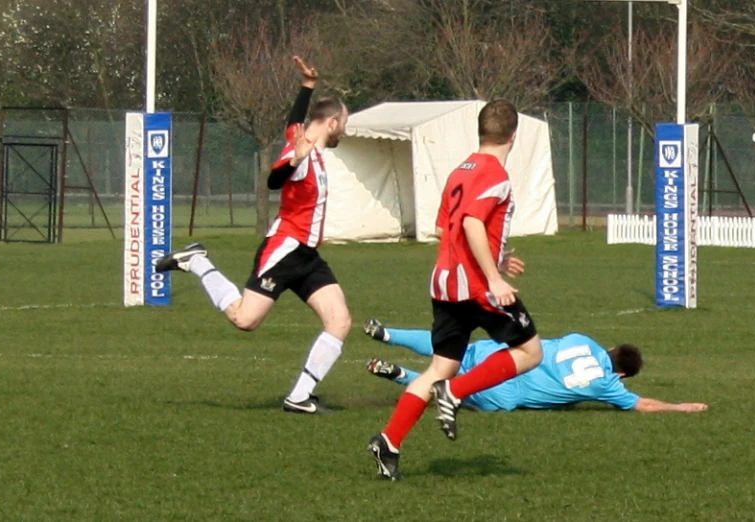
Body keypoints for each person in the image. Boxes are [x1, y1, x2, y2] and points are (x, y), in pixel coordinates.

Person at [155, 56, 351, 415]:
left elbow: (294, 121)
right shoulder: (301, 152)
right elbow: (274, 180)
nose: (345, 131)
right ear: (333, 122)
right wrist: (293, 161)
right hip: (285, 251)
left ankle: (299, 396)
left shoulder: (306, 142)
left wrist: (307, 87)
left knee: (339, 321)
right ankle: (196, 262)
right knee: (245, 320)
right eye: (344, 125)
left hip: (307, 256)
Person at [367, 100, 544, 481]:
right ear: (514, 135)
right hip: (476, 289)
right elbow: (470, 224)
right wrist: (493, 278)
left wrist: (496, 259)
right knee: (531, 352)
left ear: (480, 132)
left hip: (445, 284)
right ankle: (456, 392)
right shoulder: (495, 174)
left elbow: (447, 226)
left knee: (439, 367)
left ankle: (389, 441)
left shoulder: (459, 171)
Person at [363, 320, 709, 414]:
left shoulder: (583, 339)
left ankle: (389, 333)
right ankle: (402, 376)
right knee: (458, 393)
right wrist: (681, 406)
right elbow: (643, 404)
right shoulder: (608, 385)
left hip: (502, 354)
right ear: (620, 373)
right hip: (508, 389)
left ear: (610, 348)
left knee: (452, 352)